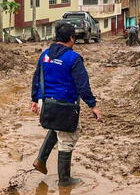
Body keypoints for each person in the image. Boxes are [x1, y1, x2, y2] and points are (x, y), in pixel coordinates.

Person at [30, 23, 102, 187]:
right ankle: (64, 180)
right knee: (68, 136)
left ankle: (41, 159)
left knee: (57, 128)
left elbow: (36, 78)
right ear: (71, 38)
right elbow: (83, 86)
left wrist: (35, 100)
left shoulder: (45, 55)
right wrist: (93, 106)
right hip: (65, 105)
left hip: (46, 103)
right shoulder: (73, 58)